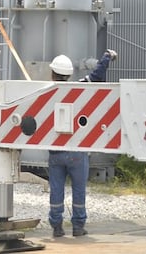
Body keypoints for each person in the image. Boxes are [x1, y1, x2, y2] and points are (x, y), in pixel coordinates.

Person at [46, 49, 117, 238]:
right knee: (79, 191)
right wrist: (107, 57)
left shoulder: (46, 93)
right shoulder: (79, 88)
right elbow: (97, 76)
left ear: (52, 73)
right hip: (77, 151)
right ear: (69, 74)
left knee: (56, 191)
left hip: (55, 151)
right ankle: (78, 226)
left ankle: (57, 227)